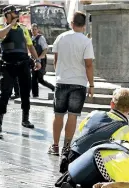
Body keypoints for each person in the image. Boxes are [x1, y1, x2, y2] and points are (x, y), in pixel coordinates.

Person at [59, 88, 129, 173]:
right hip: (92, 168)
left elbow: (81, 128)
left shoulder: (94, 114)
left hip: (73, 159)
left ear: (111, 104)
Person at [49, 11, 94, 156]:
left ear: (71, 23)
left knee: (58, 115)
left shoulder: (60, 38)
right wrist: (91, 85)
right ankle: (66, 147)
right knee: (72, 116)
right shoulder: (86, 41)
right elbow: (88, 65)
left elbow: (56, 60)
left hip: (61, 81)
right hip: (79, 83)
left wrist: (59, 74)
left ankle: (55, 146)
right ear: (84, 25)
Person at [0, 5, 42, 133]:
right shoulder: (0, 27)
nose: (17, 15)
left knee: (25, 92)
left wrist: (37, 60)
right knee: (5, 92)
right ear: (8, 15)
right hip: (7, 65)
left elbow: (30, 46)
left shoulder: (23, 29)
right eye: (14, 13)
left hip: (23, 64)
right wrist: (10, 25)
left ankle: (25, 119)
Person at [30, 24, 55, 98]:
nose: (33, 31)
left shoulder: (40, 38)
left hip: (41, 60)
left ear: (38, 30)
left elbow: (45, 49)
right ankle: (35, 95)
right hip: (34, 61)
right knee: (33, 78)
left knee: (40, 79)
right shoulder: (31, 39)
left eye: (35, 29)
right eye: (32, 29)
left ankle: (53, 88)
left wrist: (39, 58)